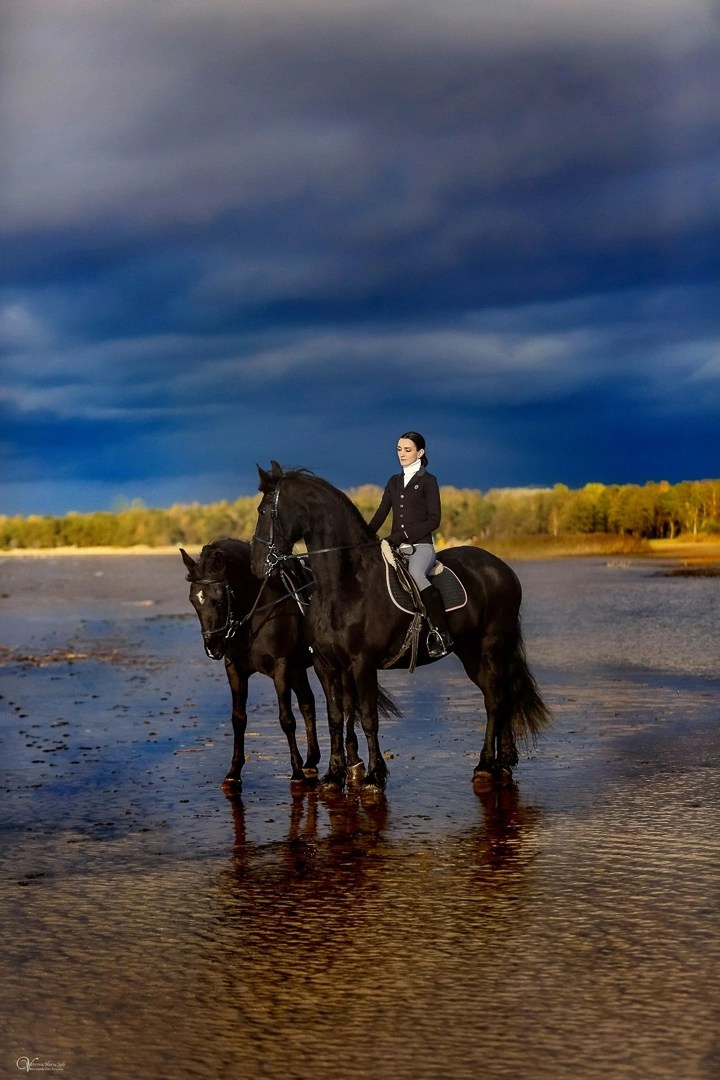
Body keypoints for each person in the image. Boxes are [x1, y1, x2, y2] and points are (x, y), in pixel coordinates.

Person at [367, 431, 452, 658]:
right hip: (395, 548)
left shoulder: (428, 481)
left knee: (416, 574)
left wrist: (402, 535)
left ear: (420, 452)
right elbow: (381, 513)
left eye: (407, 450)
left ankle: (441, 633)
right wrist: (363, 535)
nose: (401, 454)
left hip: (421, 547)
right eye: (399, 449)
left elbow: (434, 520)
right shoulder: (393, 481)